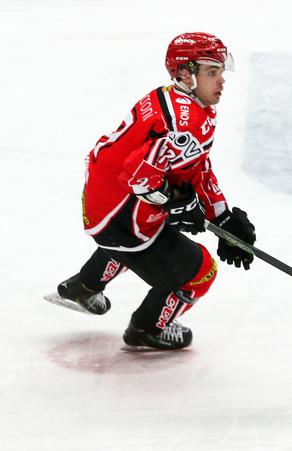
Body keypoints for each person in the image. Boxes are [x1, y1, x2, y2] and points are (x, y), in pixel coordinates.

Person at [46, 32, 256, 350]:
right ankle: (148, 329)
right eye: (212, 72)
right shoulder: (184, 123)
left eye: (220, 72)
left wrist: (222, 216)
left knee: (149, 229)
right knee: (201, 271)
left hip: (104, 204)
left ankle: (85, 286)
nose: (221, 80)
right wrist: (175, 203)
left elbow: (194, 166)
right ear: (185, 74)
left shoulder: (177, 100)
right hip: (120, 217)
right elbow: (141, 178)